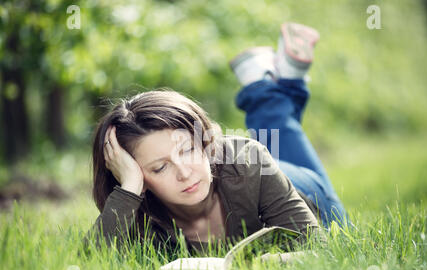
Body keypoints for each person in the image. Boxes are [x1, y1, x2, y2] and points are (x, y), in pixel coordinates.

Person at [85, 22, 351, 254]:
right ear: (139, 176)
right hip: (245, 171)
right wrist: (129, 188)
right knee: (265, 146)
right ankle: (266, 80)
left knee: (258, 155)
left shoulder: (249, 160)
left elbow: (318, 248)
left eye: (188, 150)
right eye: (159, 167)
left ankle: (265, 85)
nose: (184, 172)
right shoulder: (139, 213)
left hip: (305, 192)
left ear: (205, 142)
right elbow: (92, 267)